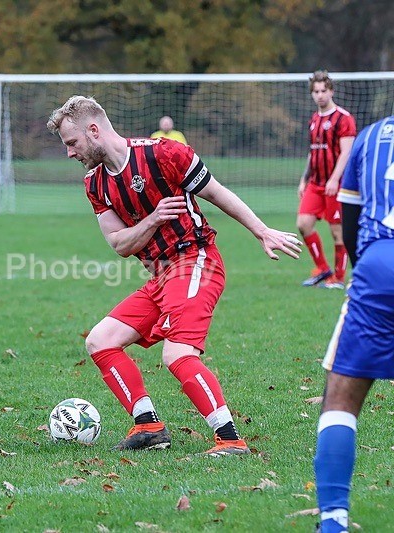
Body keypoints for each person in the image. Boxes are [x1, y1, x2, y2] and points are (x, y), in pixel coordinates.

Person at [47, 96, 301, 455]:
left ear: (94, 130)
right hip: (162, 275)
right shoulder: (96, 184)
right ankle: (148, 426)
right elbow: (119, 243)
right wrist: (152, 220)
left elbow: (217, 193)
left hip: (196, 260)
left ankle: (230, 439)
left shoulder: (163, 154)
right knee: (100, 340)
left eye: (72, 143)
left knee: (177, 353)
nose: (70, 153)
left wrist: (261, 230)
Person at [313, 114, 394, 533]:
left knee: (341, 401)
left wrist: (370, 276)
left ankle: (332, 521)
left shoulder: (372, 135)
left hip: (380, 267)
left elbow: (348, 217)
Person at [297, 70, 356, 290]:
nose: (320, 95)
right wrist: (304, 180)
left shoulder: (344, 118)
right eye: (316, 91)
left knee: (337, 232)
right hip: (316, 184)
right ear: (312, 93)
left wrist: (334, 179)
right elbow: (313, 153)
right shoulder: (314, 120)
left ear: (331, 91)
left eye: (324, 90)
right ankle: (322, 269)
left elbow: (346, 153)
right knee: (303, 224)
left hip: (337, 185)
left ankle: (339, 278)